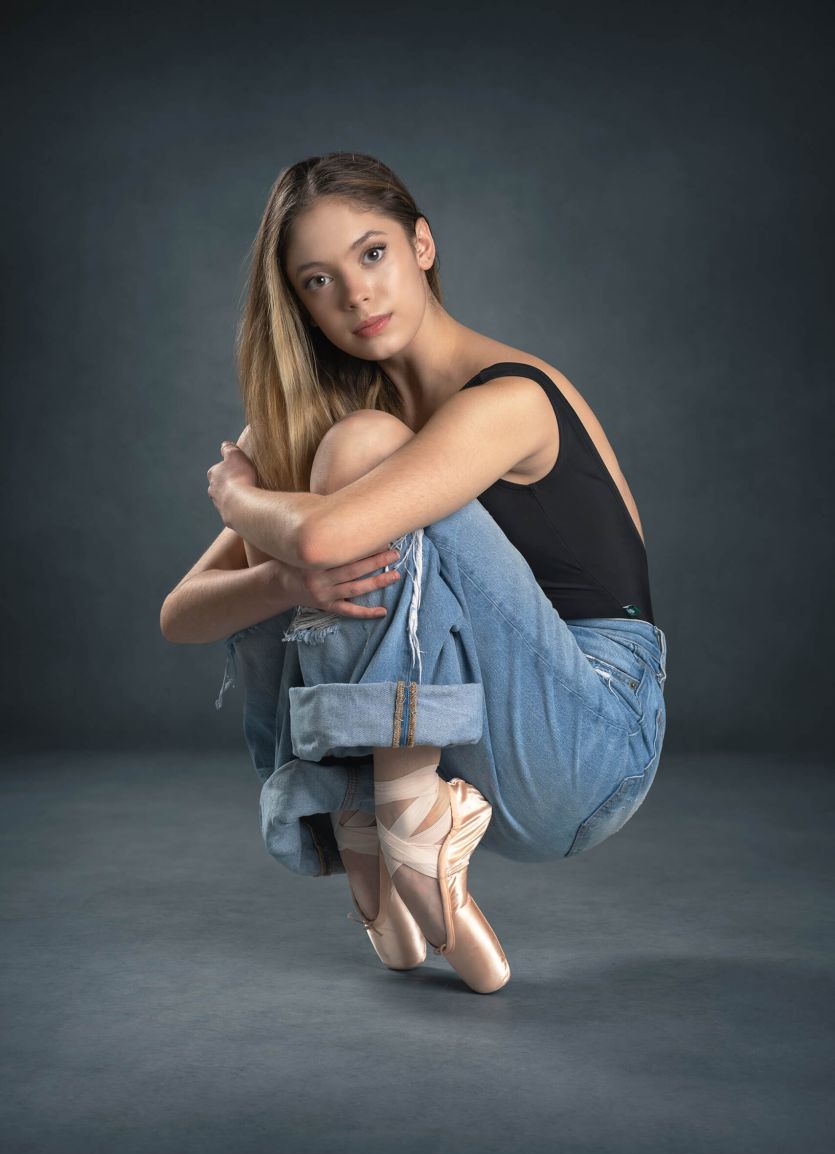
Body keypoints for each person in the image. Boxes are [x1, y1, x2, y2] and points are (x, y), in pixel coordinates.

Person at [160, 151, 668, 995]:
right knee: (311, 503)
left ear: (421, 246)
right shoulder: (331, 420)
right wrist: (283, 581)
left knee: (346, 471)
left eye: (372, 254)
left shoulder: (512, 399)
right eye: (318, 280)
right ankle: (369, 811)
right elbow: (181, 613)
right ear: (299, 305)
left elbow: (322, 537)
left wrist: (240, 498)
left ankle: (393, 810)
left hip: (590, 741)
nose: (356, 295)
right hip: (473, 742)